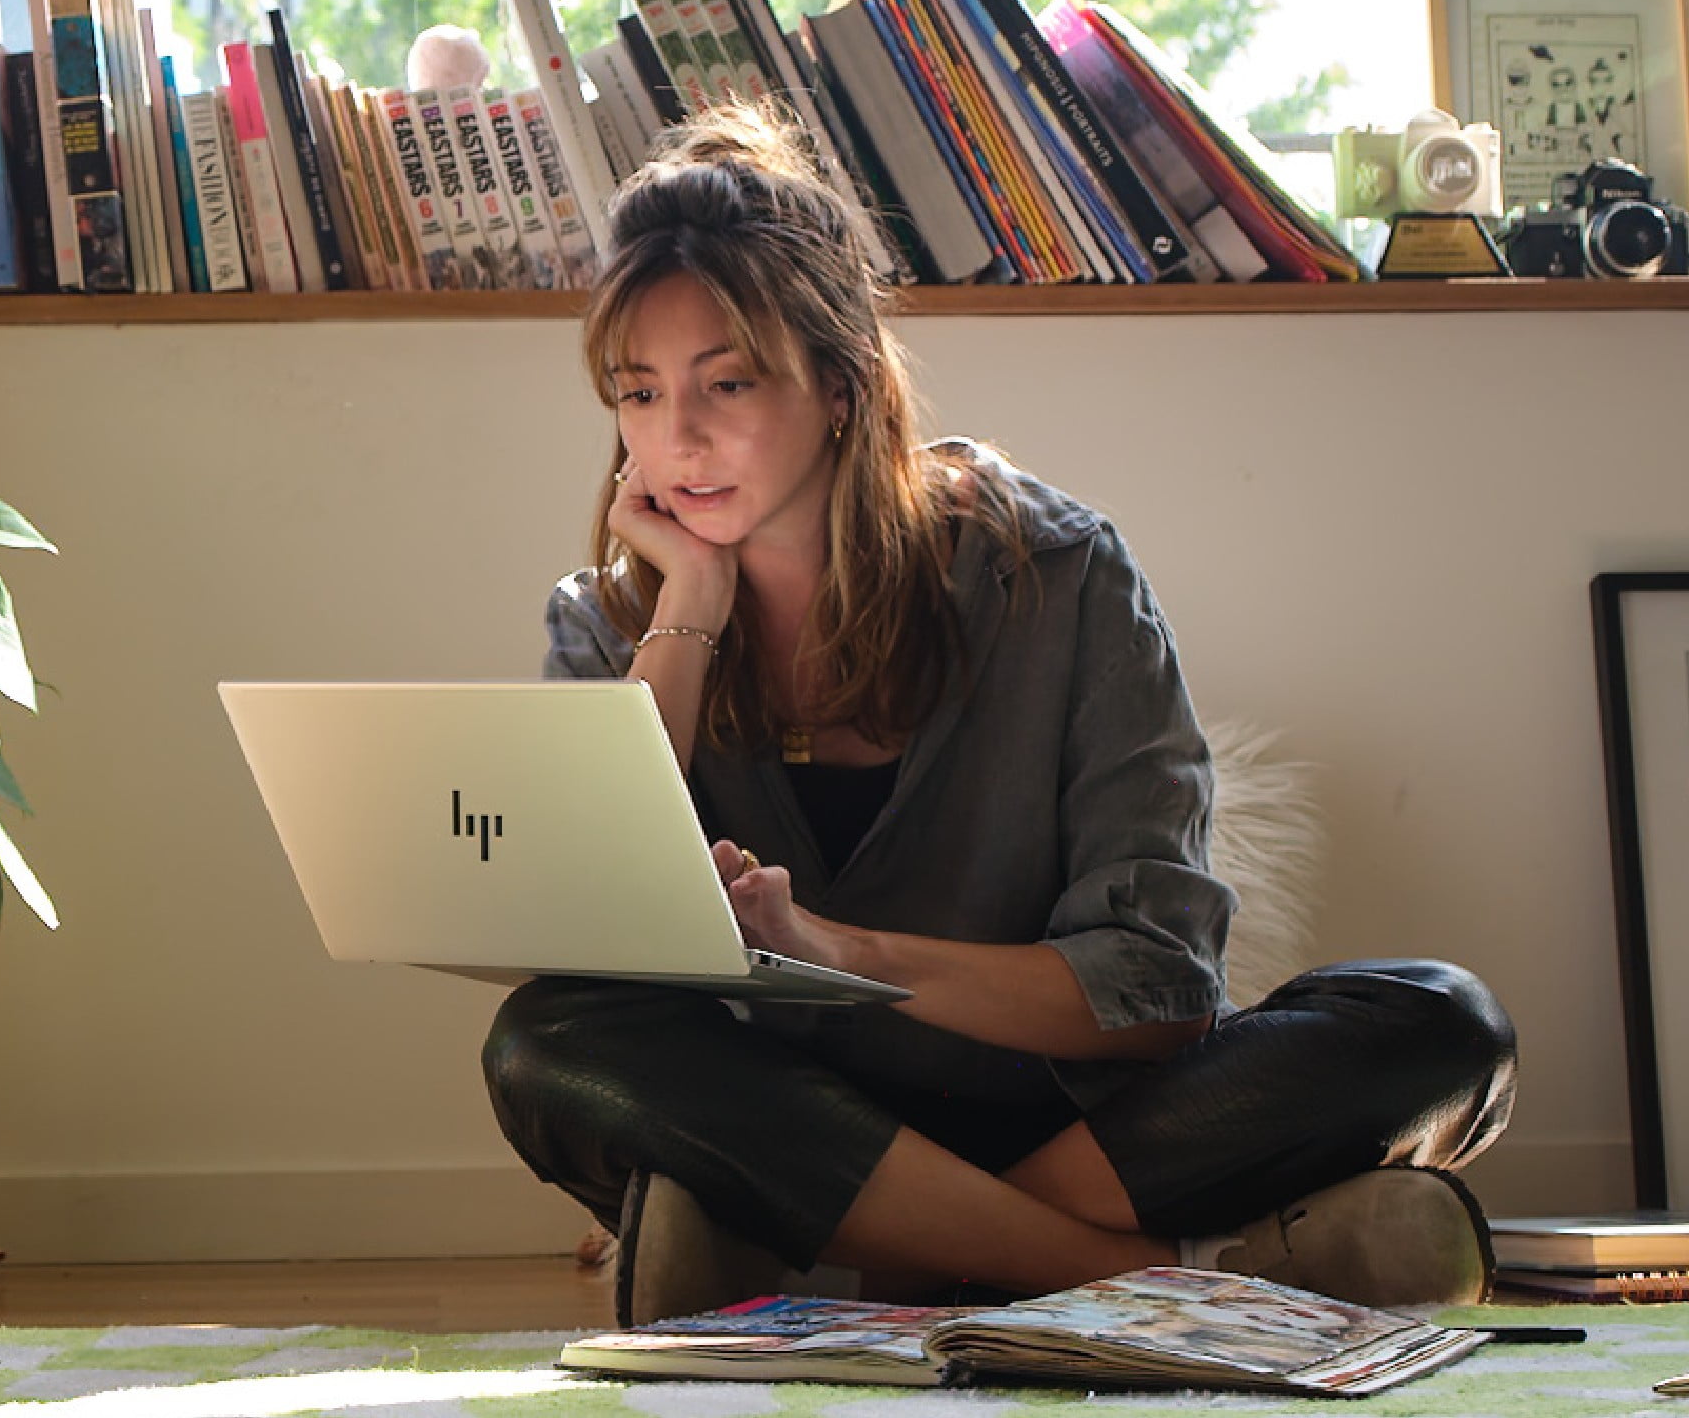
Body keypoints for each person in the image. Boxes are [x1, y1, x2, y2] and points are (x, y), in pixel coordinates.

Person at [485, 104, 1516, 1327]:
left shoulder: (1058, 573)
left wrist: (841, 954)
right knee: (545, 1042)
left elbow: (1158, 985)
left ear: (841, 384)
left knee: (1440, 1021)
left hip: (1072, 1119)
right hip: (785, 1115)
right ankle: (1161, 1281)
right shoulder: (611, 619)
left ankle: (870, 1274)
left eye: (728, 382)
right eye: (638, 393)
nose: (677, 440)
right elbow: (588, 937)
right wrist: (693, 610)